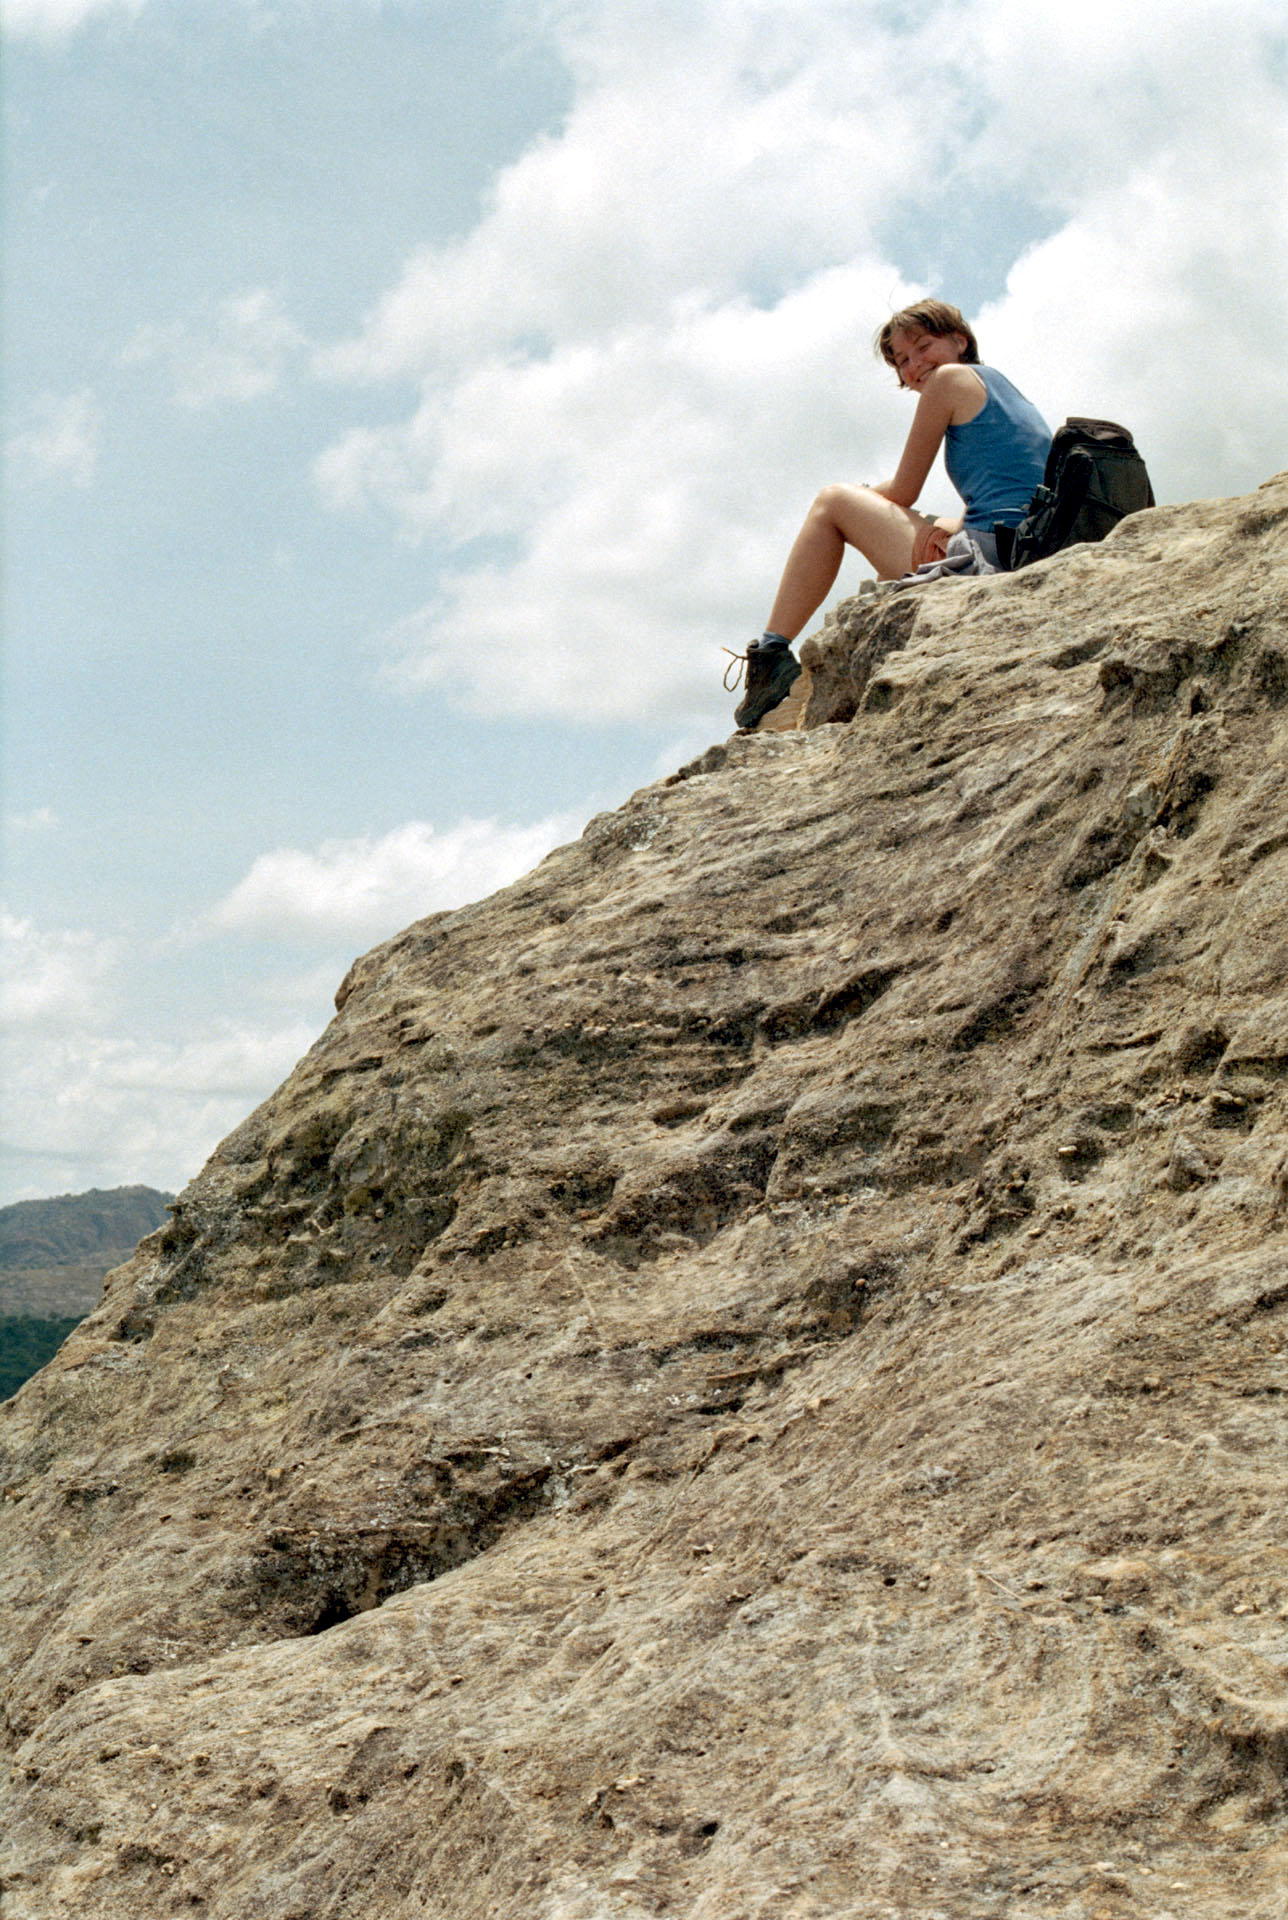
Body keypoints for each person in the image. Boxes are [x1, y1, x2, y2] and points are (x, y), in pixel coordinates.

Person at [731, 298, 1052, 729]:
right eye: (902, 360)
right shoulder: (1001, 387)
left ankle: (770, 657)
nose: (915, 365)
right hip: (1028, 541)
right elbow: (1012, 494)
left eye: (923, 347)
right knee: (932, 523)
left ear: (959, 341)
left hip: (996, 559)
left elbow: (904, 490)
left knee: (831, 502)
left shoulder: (949, 381)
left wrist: (860, 497)